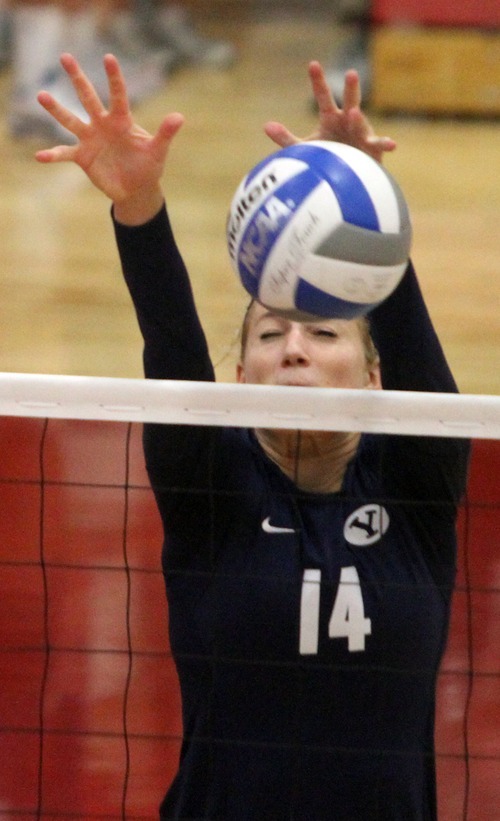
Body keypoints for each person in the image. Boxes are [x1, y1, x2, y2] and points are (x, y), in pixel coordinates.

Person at [36, 53, 470, 819]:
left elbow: (421, 363)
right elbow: (171, 345)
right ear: (238, 380)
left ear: (375, 382)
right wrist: (139, 204)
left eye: (325, 331)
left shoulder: (418, 481)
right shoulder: (212, 488)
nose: (294, 347)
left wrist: (361, 208)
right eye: (270, 334)